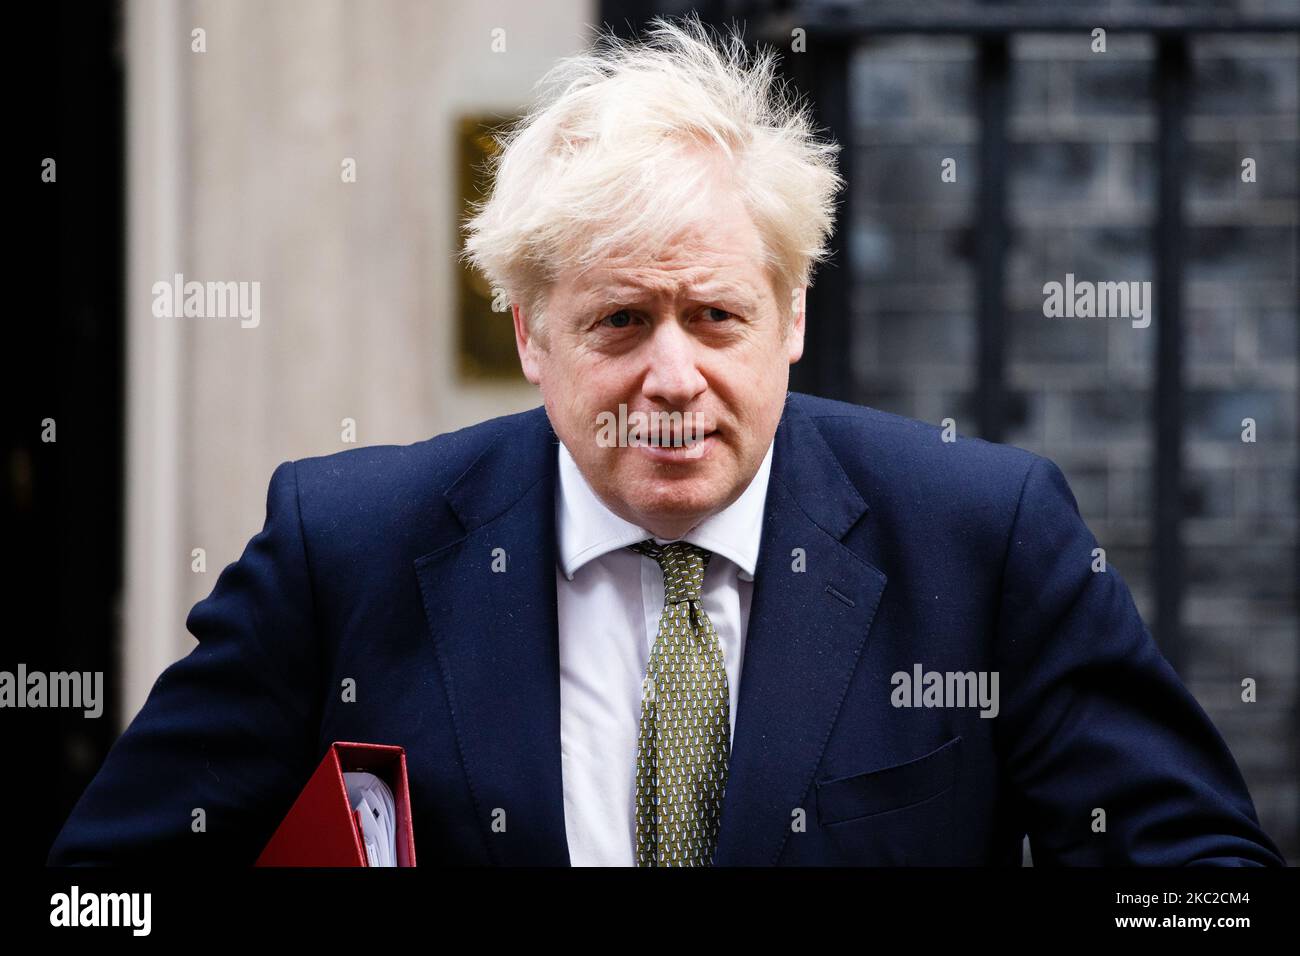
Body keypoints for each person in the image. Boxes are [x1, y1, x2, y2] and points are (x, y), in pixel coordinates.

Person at [49, 15, 1282, 867]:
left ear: (792, 318)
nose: (672, 372)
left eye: (716, 315)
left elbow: (1197, 875)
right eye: (620, 320)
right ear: (532, 333)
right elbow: (112, 884)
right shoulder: (346, 546)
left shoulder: (983, 534)